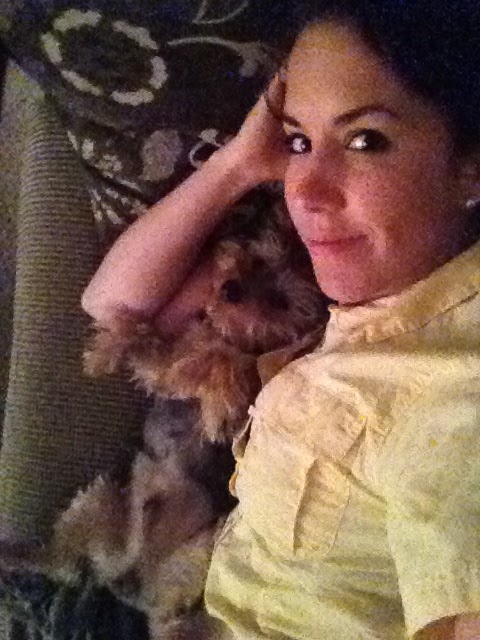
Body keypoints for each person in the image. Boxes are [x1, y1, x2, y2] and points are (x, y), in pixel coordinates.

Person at [82, 1, 480, 638]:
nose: (306, 190)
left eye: (365, 139)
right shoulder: (362, 282)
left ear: (471, 165)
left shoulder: (454, 390)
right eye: (298, 141)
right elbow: (113, 308)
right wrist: (238, 164)